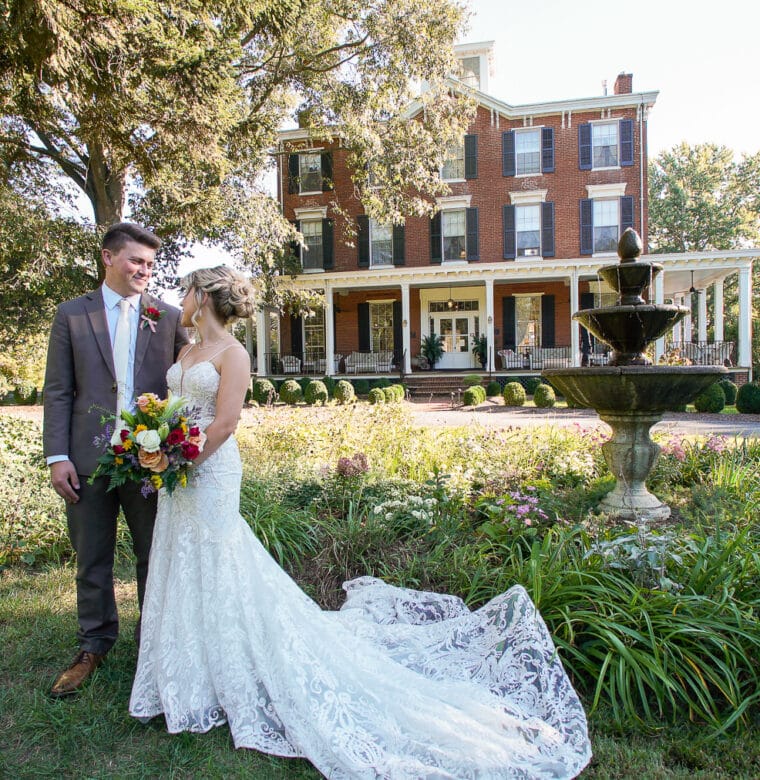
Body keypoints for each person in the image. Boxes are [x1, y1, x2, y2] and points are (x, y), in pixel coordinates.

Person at [129, 266, 592, 778]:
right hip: (177, 474)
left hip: (208, 470)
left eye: (187, 290)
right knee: (182, 557)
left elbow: (226, 422)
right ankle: (192, 673)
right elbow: (174, 409)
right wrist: (157, 447)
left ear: (205, 297)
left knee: (219, 558)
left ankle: (235, 667)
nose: (181, 297)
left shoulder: (232, 355)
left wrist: (180, 460)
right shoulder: (185, 352)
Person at [43, 222, 188, 697]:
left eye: (150, 264)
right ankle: (94, 645)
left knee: (154, 555)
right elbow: (59, 390)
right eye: (135, 261)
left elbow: (188, 382)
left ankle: (156, 644)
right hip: (86, 459)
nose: (145, 270)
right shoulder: (71, 314)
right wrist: (57, 456)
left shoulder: (166, 317)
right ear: (108, 258)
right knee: (92, 558)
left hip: (149, 460)